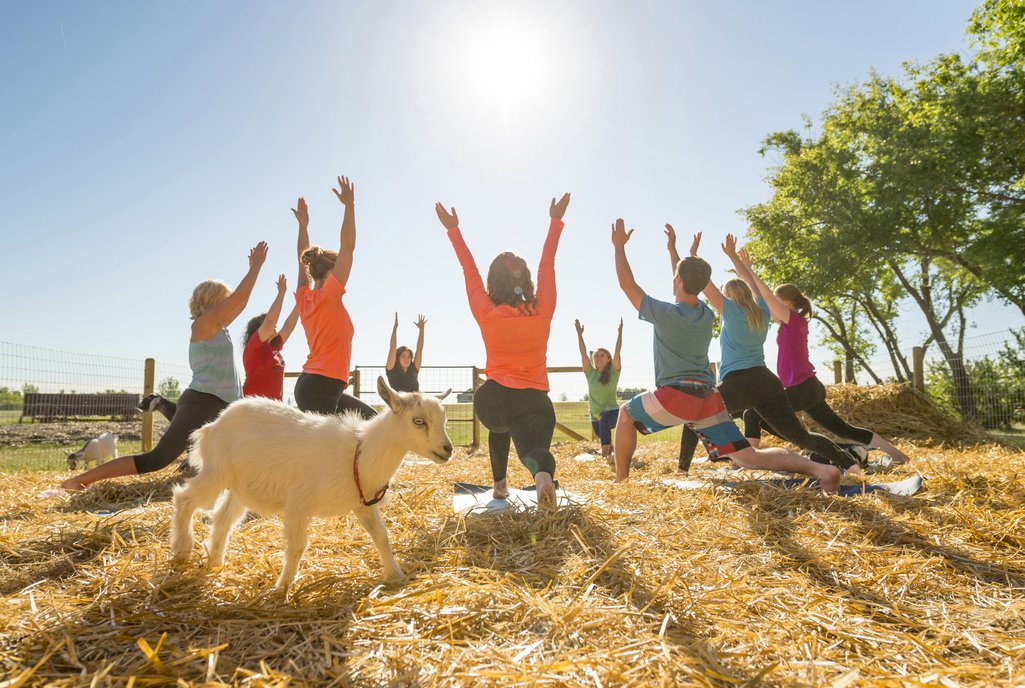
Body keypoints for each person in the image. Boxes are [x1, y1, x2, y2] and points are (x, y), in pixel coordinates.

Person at [610, 219, 840, 492]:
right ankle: (822, 470)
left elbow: (627, 284)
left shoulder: (665, 313)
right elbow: (690, 281)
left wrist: (619, 247)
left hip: (676, 396)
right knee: (748, 457)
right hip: (708, 399)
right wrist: (677, 252)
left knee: (625, 414)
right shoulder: (706, 314)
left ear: (679, 280)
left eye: (675, 275)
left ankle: (620, 482)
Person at [61, 242, 269, 491]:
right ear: (211, 301)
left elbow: (240, 302)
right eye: (224, 299)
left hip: (224, 402)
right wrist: (255, 268)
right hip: (202, 401)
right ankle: (79, 480)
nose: (229, 304)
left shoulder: (219, 326)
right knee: (157, 460)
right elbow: (240, 298)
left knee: (245, 449)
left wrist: (254, 271)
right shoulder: (203, 324)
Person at [669, 228, 862, 476]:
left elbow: (697, 283)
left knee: (696, 414)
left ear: (728, 297)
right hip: (766, 382)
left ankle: (682, 471)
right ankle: (851, 465)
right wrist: (732, 257)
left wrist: (691, 253)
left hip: (740, 382)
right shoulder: (760, 309)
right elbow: (750, 280)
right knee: (801, 436)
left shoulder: (731, 311)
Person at [435, 193, 571, 506]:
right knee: (533, 452)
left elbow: (468, 271)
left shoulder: (487, 311)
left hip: (494, 400)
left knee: (502, 426)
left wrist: (454, 230)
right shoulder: (542, 309)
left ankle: (499, 486)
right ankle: (542, 477)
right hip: (536, 402)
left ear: (493, 281)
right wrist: (555, 222)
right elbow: (547, 264)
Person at [736, 254, 910, 464]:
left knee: (753, 414)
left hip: (802, 388)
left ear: (788, 303)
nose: (771, 307)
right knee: (843, 429)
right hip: (809, 388)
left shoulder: (794, 320)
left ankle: (749, 462)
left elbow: (763, 295)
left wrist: (751, 272)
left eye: (776, 301)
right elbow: (758, 295)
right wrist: (743, 269)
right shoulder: (789, 324)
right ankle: (895, 454)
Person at [292, 178, 375, 419]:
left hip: (321, 385)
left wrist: (303, 226)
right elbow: (348, 247)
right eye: (338, 266)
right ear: (330, 272)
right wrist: (350, 205)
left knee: (371, 422)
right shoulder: (329, 295)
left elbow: (301, 261)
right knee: (319, 455)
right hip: (321, 386)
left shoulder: (303, 297)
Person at [241, 274, 301, 401]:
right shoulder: (254, 347)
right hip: (253, 408)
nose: (275, 326)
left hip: (273, 409)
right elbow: (270, 321)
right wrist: (281, 294)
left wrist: (299, 305)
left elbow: (288, 327)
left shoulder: (273, 347)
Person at [574, 317, 622, 460]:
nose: (598, 358)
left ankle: (605, 456)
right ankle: (613, 450)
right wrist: (579, 334)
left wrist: (620, 333)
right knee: (600, 430)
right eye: (596, 356)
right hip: (595, 414)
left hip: (612, 412)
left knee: (604, 420)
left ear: (608, 359)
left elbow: (617, 352)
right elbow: (583, 353)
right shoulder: (590, 374)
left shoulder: (614, 372)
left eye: (602, 355)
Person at [386, 312, 426, 393]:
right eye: (403, 356)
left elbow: (419, 349)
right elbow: (392, 348)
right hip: (399, 405)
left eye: (409, 357)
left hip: (415, 403)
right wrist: (395, 327)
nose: (407, 359)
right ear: (397, 358)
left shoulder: (413, 370)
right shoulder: (392, 370)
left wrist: (421, 329)